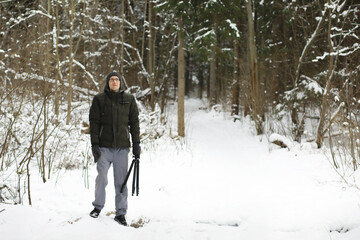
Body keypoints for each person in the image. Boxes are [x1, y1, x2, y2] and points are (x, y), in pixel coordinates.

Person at [89, 72, 141, 226]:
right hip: (104, 148)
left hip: (122, 149)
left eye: (117, 79)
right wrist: (94, 144)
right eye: (111, 79)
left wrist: (136, 144)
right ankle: (97, 207)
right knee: (102, 178)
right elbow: (94, 122)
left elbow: (135, 123)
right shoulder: (99, 99)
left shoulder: (129, 99)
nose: (114, 82)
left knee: (121, 182)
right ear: (107, 82)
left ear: (120, 82)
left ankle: (121, 213)